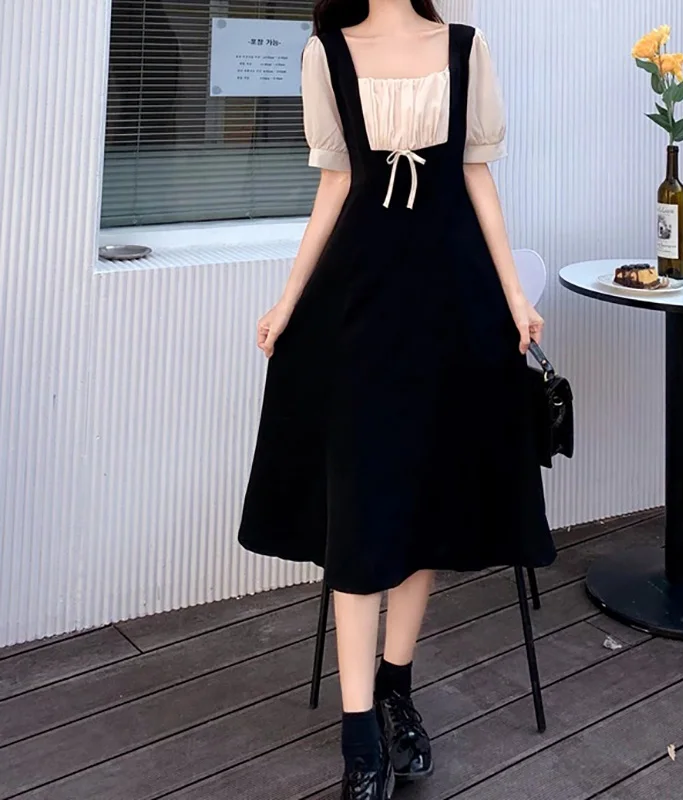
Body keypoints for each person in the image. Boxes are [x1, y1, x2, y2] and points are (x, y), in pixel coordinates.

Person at [238, 1, 556, 797]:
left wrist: (515, 297)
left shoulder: (465, 48)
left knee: (425, 506)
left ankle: (395, 689)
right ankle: (359, 735)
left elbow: (477, 175)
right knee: (358, 513)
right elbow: (336, 184)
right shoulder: (327, 53)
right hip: (357, 307)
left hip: (451, 305)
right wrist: (288, 299)